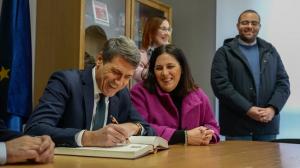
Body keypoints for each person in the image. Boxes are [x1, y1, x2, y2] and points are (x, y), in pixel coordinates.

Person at [25, 36, 155, 147]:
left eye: (127, 77)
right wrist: (90, 138)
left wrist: (133, 127)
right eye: (116, 72)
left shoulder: (122, 94)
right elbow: (34, 129)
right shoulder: (66, 82)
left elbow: (148, 129)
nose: (119, 83)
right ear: (99, 60)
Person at [211, 9, 290, 141]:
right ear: (238, 26)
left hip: (267, 126)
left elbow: (283, 83)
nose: (249, 26)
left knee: (267, 162)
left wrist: (272, 109)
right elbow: (221, 86)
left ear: (259, 26)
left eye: (254, 23)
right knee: (238, 162)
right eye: (245, 23)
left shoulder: (270, 51)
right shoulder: (224, 52)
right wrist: (248, 109)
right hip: (237, 126)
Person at [131, 44, 220, 145]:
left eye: (170, 66)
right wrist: (183, 137)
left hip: (193, 157)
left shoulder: (197, 93)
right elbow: (139, 127)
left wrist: (208, 134)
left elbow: (212, 125)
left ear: (182, 69)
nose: (164, 73)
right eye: (159, 68)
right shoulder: (139, 92)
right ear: (152, 71)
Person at [133, 16, 171, 81]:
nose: (167, 33)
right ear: (151, 31)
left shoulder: (173, 52)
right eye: (163, 29)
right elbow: (135, 71)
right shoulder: (141, 54)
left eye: (168, 29)